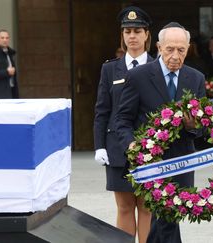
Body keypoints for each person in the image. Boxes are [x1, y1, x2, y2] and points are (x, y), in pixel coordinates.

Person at [116, 22, 205, 243]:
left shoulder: (196, 78)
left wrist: (194, 126)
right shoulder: (138, 76)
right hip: (150, 162)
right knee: (165, 217)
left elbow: (204, 125)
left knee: (168, 218)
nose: (175, 55)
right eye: (170, 49)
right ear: (158, 46)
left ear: (188, 48)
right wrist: (131, 145)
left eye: (181, 50)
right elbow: (122, 119)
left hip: (182, 161)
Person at [93, 6, 154, 243]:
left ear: (147, 34)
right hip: (117, 146)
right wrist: (99, 145)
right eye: (127, 31)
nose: (132, 36)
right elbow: (102, 110)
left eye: (137, 31)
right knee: (125, 206)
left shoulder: (156, 66)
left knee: (148, 207)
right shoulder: (110, 69)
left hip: (151, 147)